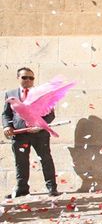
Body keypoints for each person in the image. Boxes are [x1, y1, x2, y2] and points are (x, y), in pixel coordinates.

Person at [3, 67, 61, 198]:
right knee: (20, 161)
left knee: (46, 159)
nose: (28, 80)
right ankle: (22, 189)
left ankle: (52, 188)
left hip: (39, 134)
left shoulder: (40, 94)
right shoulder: (10, 93)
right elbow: (6, 114)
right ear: (18, 78)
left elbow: (50, 115)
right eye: (24, 77)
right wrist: (7, 126)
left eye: (31, 78)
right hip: (19, 134)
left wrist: (40, 126)